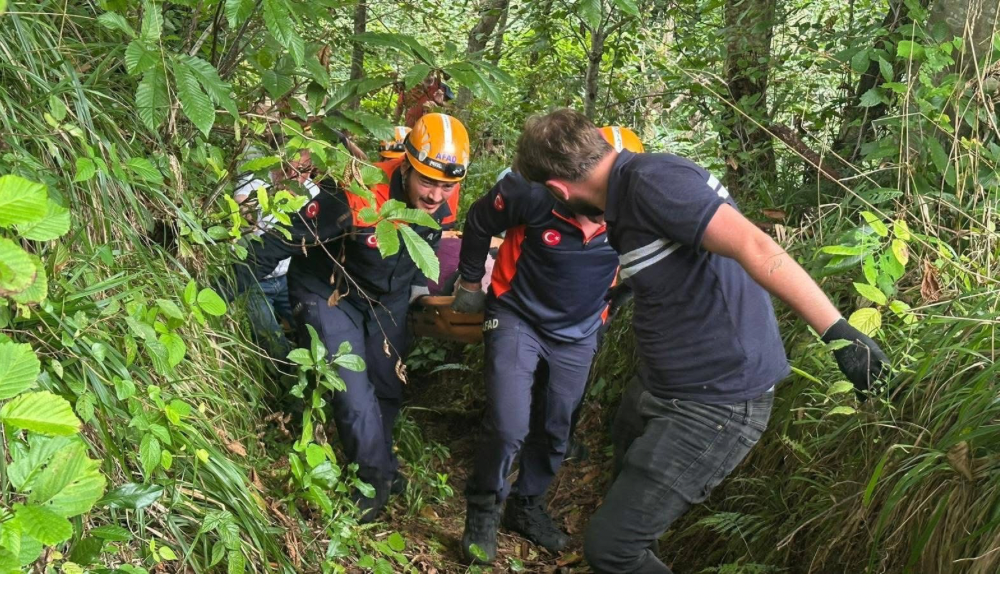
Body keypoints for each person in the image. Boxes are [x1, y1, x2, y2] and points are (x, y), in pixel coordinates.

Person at [511, 108, 890, 573]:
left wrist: (839, 333)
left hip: (714, 403)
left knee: (613, 549)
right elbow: (679, 261)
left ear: (558, 189)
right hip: (662, 388)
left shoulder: (652, 182)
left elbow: (755, 246)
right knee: (627, 510)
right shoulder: (628, 192)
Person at [288, 113, 470, 522]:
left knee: (388, 383)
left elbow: (430, 244)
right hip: (328, 288)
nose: (436, 195)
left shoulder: (443, 196)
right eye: (427, 182)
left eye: (446, 185)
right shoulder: (357, 191)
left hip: (387, 296)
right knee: (353, 391)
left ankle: (381, 462)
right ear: (405, 165)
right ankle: (371, 485)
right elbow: (285, 237)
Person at [450, 164, 620, 564]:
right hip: (517, 314)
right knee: (509, 423)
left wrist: (605, 316)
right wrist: (472, 283)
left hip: (578, 332)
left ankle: (526, 505)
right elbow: (478, 220)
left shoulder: (639, 213)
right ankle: (483, 509)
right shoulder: (533, 191)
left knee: (556, 425)